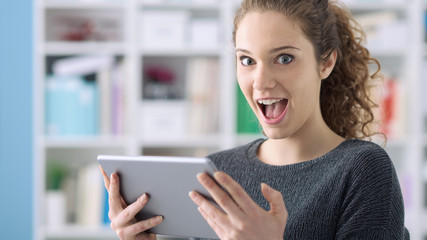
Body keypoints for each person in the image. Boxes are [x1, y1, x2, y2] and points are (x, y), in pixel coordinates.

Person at [100, 0, 410, 239]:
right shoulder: (216, 172)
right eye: (247, 60)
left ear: (326, 62)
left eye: (284, 58)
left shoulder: (363, 171)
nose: (261, 82)